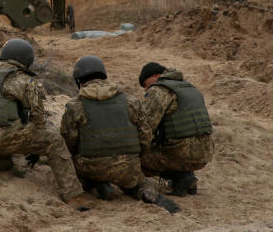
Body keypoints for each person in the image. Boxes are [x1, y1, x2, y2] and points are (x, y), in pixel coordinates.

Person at [0, 38, 90, 209]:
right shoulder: (23, 79)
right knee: (54, 141)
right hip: (7, 136)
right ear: (27, 61)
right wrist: (36, 149)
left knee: (2, 145)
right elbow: (38, 118)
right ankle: (73, 196)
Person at [60, 56, 179, 213]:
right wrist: (136, 158)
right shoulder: (129, 100)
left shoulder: (75, 105)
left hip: (92, 166)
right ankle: (145, 192)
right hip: (128, 166)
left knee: (75, 167)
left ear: (79, 81)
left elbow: (69, 142)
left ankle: (98, 186)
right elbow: (145, 135)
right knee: (138, 182)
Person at [138, 62, 215, 196]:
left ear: (156, 75)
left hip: (181, 154)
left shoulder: (159, 90)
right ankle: (186, 177)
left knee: (138, 160)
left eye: (145, 83)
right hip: (205, 153)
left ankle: (181, 178)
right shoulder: (190, 87)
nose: (146, 89)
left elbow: (145, 127)